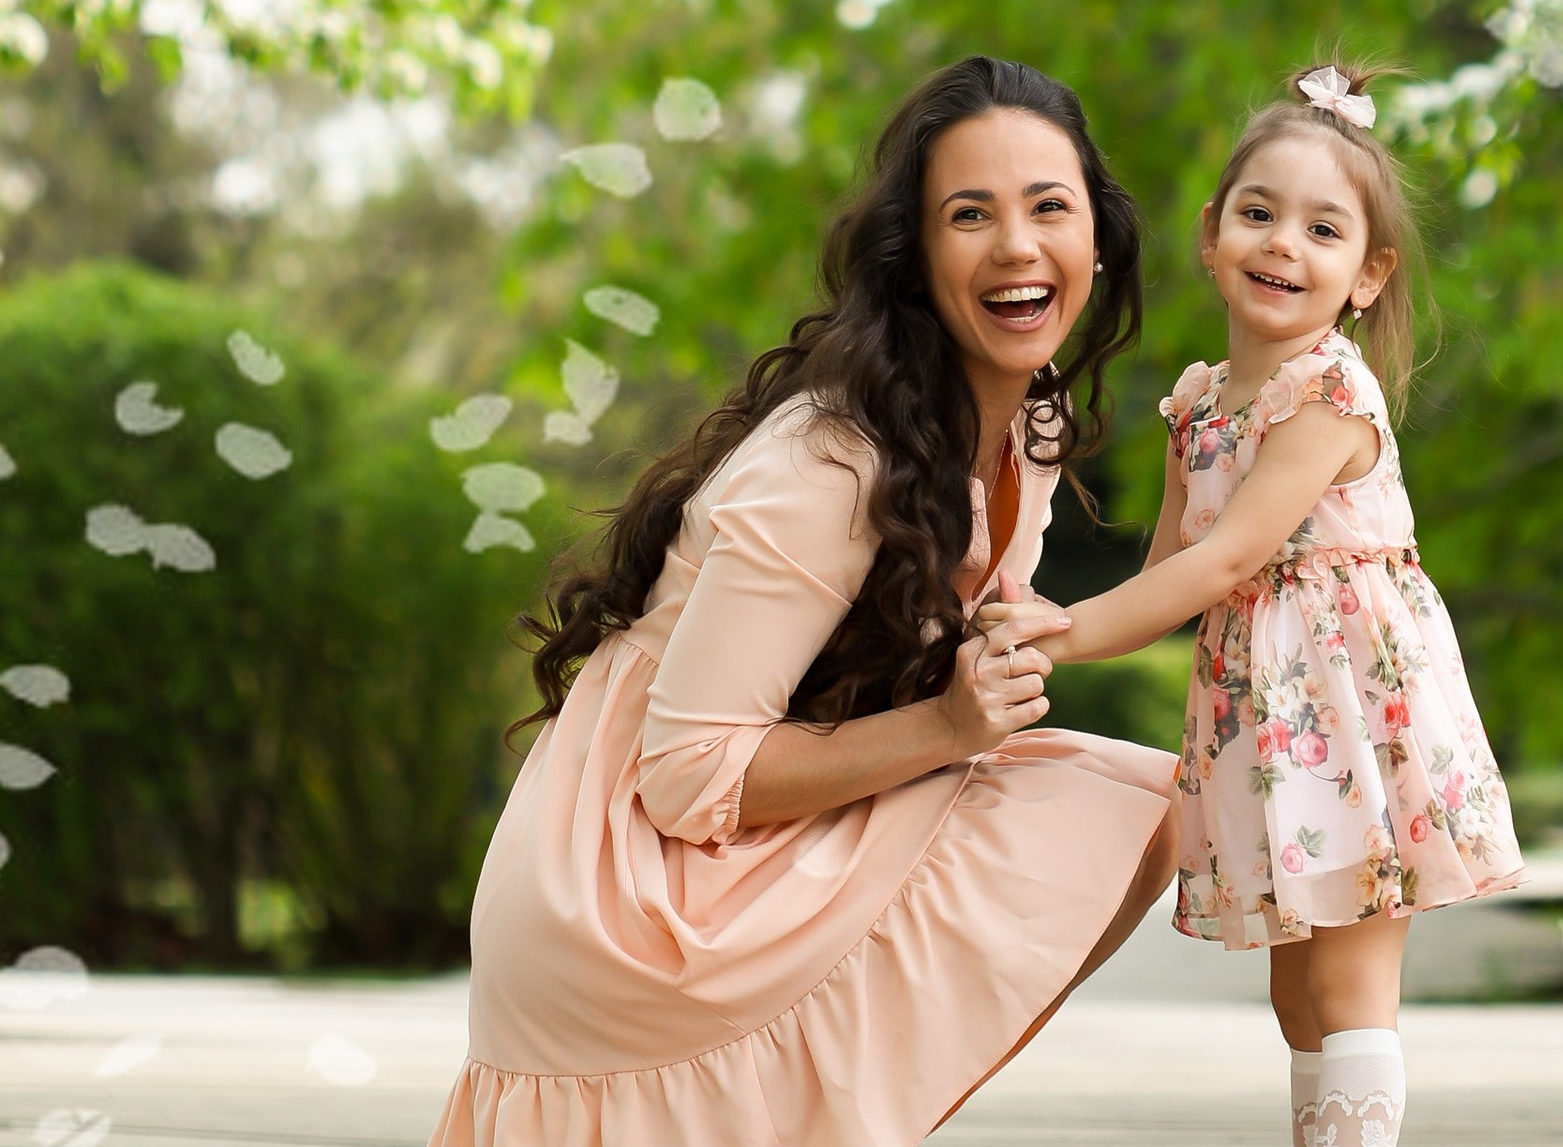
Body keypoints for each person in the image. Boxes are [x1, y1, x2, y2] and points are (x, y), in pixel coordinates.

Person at [425, 56, 1177, 1147]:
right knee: (1080, 794)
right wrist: (946, 725)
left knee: (1140, 803)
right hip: (630, 881)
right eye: (969, 214)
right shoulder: (833, 461)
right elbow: (687, 778)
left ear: (1096, 238)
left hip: (758, 823)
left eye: (1047, 206)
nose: (1017, 244)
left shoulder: (1031, 419)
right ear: (914, 259)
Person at [985, 63, 1522, 1147]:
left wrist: (1065, 630)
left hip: (1353, 708)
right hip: (1267, 722)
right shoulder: (1198, 402)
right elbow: (1172, 568)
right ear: (1210, 231)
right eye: (1259, 213)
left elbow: (1228, 557)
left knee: (1351, 984)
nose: (1284, 243)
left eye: (1323, 231)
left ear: (1365, 276)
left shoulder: (1330, 392)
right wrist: (1042, 610)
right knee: (1295, 1003)